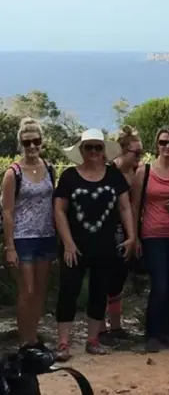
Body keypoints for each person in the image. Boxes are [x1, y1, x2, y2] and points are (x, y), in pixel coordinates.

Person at [53, 129, 135, 360]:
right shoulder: (69, 176)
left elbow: (125, 207)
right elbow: (59, 210)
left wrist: (131, 236)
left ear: (104, 151)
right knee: (69, 291)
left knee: (99, 292)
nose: (94, 152)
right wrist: (68, 243)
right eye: (89, 147)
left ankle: (93, 339)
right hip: (75, 246)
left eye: (98, 147)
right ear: (81, 150)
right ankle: (62, 343)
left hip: (104, 245)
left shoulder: (113, 176)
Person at [130, 126, 169, 353]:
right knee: (160, 286)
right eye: (163, 142)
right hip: (152, 234)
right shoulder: (144, 172)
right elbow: (134, 206)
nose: (167, 146)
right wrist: (133, 236)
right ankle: (152, 333)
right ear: (157, 145)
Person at [1, 118, 56, 348]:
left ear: (42, 142)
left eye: (36, 141)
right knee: (27, 291)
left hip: (46, 235)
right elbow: (8, 211)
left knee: (40, 292)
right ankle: (24, 342)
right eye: (27, 142)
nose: (32, 146)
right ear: (20, 144)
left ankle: (33, 338)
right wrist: (10, 246)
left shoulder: (50, 168)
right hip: (23, 238)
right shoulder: (13, 173)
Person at [100, 125, 143, 343]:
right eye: (136, 152)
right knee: (104, 279)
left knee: (118, 279)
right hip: (107, 232)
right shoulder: (108, 172)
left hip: (126, 231)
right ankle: (100, 329)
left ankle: (115, 327)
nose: (140, 157)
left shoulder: (134, 172)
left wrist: (133, 235)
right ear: (123, 151)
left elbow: (133, 207)